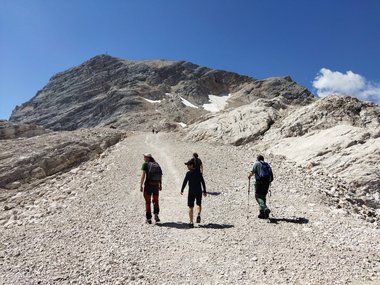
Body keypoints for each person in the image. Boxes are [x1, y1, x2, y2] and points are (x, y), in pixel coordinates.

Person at [181, 160, 207, 228]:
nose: (187, 166)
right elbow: (203, 182)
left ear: (192, 165)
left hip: (191, 192)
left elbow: (185, 182)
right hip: (198, 191)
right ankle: (198, 214)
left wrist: (182, 190)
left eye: (188, 165)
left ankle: (191, 222)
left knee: (190, 207)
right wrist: (204, 191)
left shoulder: (188, 173)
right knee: (199, 204)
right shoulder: (199, 173)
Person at [247, 155, 273, 219]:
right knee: (263, 197)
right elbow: (271, 175)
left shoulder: (256, 163)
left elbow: (252, 173)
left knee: (258, 196)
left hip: (259, 182)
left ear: (257, 159)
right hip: (266, 183)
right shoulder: (266, 164)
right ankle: (263, 214)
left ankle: (265, 208)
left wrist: (248, 176)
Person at [140, 153, 162, 224]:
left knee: (148, 202)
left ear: (147, 158)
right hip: (156, 185)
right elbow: (160, 175)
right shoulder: (156, 164)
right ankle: (156, 214)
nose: (144, 158)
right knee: (156, 200)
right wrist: (160, 185)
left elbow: (143, 175)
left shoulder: (145, 164)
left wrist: (141, 185)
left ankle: (149, 218)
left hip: (148, 185)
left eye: (144, 157)